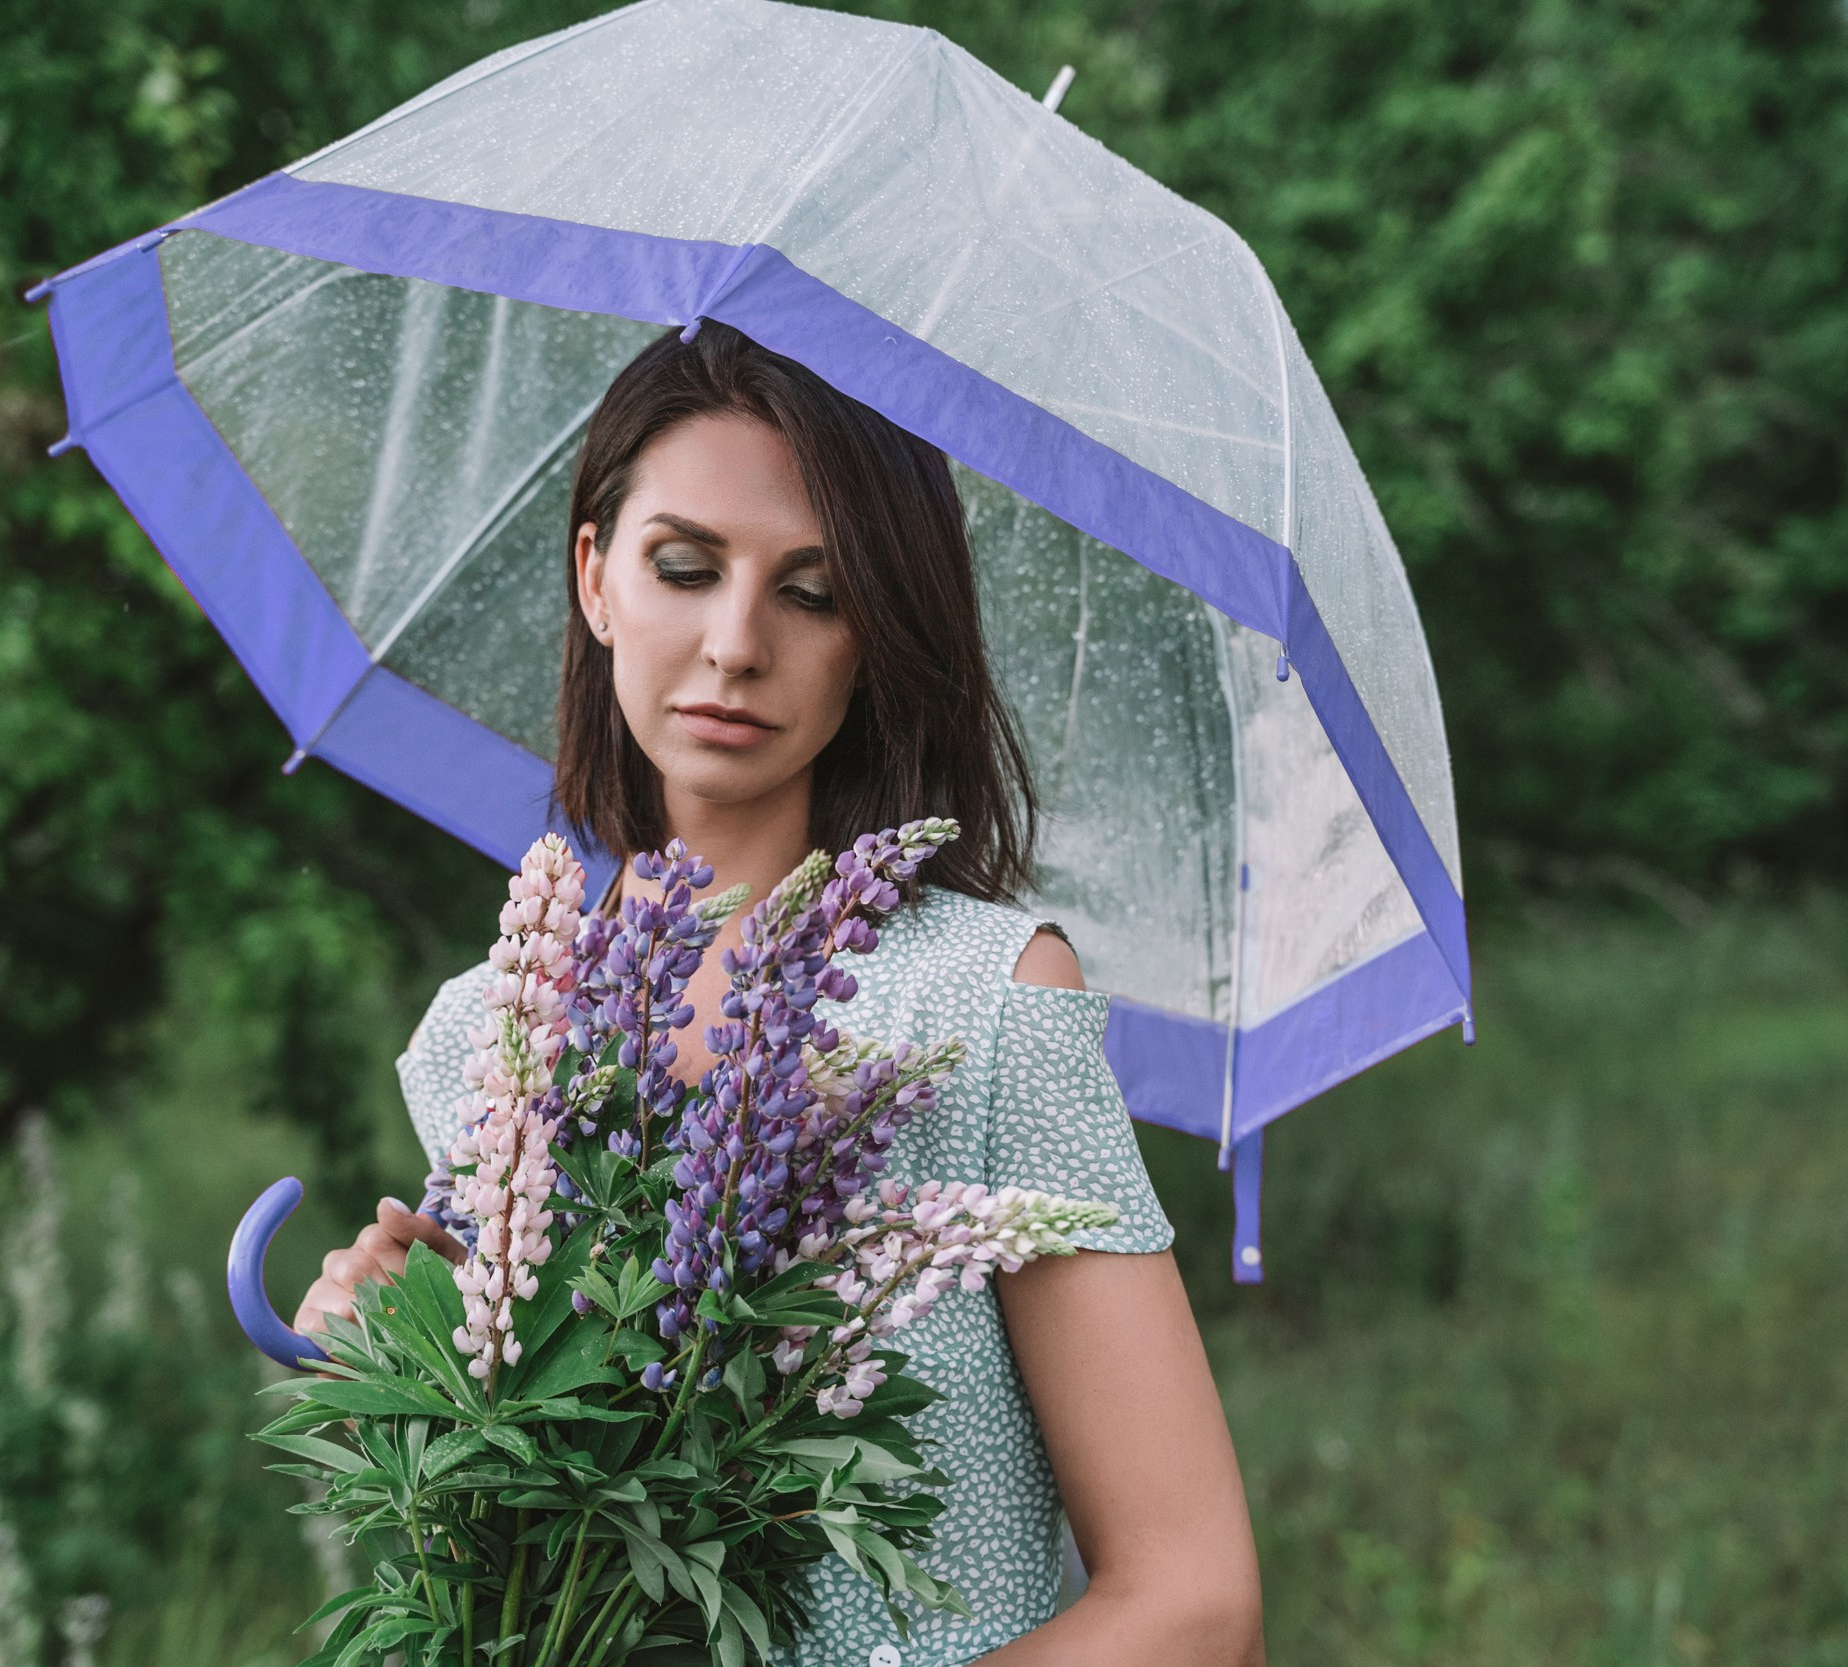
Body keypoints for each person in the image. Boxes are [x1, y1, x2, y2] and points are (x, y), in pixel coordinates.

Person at [294, 323, 1263, 1667]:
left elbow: (1197, 1603)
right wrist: (390, 1365)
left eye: (812, 593)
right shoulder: (492, 1029)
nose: (736, 643)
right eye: (683, 568)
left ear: (877, 638)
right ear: (594, 579)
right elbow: (520, 1567)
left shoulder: (982, 1004)